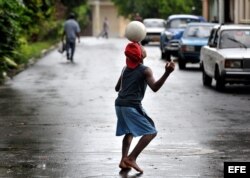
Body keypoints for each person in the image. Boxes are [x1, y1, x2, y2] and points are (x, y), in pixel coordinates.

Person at [115, 42, 175, 173]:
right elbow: (155, 87)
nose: (141, 46)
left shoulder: (125, 68)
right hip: (131, 106)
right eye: (141, 47)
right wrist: (167, 73)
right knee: (151, 131)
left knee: (129, 131)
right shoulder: (145, 70)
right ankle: (131, 158)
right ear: (142, 56)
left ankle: (123, 160)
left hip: (119, 104)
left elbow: (116, 88)